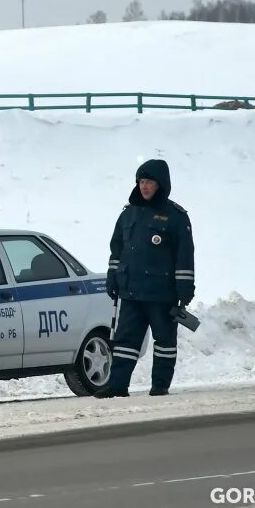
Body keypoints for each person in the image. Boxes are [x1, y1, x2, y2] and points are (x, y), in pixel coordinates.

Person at [95, 159, 195, 398]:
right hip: (131, 291)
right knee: (125, 341)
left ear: (161, 185)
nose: (144, 187)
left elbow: (185, 255)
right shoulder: (128, 215)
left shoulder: (176, 217)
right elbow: (116, 249)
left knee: (164, 342)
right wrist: (113, 276)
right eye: (141, 182)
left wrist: (184, 288)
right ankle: (117, 386)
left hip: (161, 294)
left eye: (149, 182)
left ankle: (160, 385)